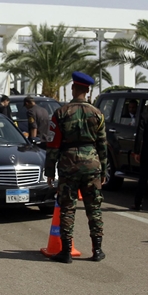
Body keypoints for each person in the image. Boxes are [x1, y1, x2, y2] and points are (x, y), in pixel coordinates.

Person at [45, 72, 107, 263]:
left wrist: (49, 170)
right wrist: (104, 170)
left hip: (68, 164)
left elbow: (53, 144)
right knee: (94, 207)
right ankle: (97, 250)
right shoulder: (97, 114)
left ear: (73, 88)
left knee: (67, 208)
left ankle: (66, 252)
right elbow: (103, 145)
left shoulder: (61, 113)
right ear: (87, 90)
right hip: (92, 164)